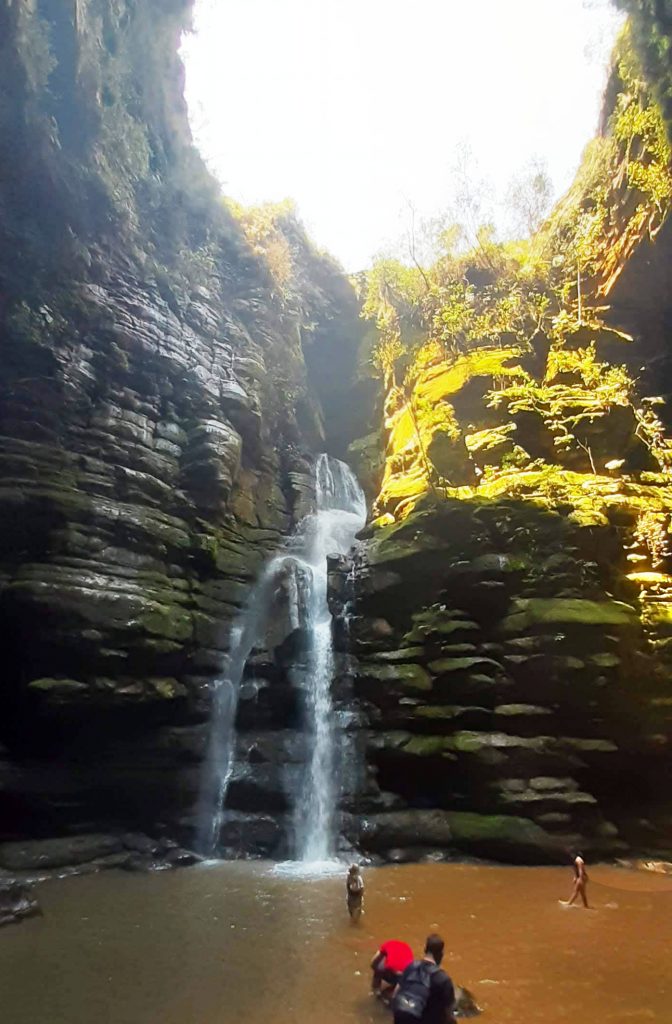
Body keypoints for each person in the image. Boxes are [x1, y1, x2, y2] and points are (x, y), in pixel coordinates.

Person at [392, 934, 456, 1024]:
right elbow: (449, 1013)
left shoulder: (410, 966)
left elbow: (395, 994)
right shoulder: (443, 979)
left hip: (400, 1016)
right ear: (441, 954)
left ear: (425, 950)